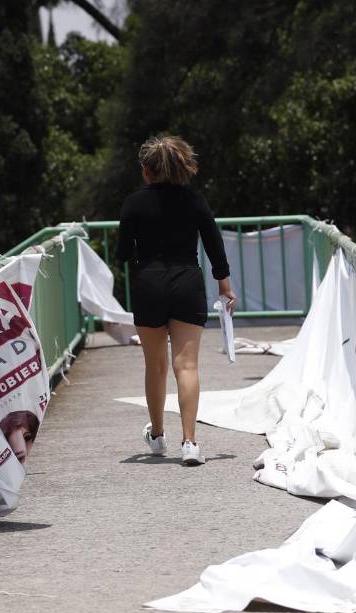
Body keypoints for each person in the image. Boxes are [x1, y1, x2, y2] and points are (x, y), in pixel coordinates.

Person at [117, 135, 235, 466]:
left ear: (146, 171)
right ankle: (190, 443)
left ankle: (156, 436)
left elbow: (123, 254)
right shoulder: (194, 201)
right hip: (187, 283)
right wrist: (225, 288)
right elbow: (214, 248)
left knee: (154, 366)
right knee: (186, 365)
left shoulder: (133, 204)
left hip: (148, 285)